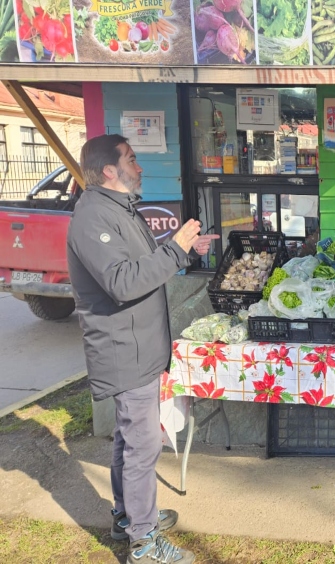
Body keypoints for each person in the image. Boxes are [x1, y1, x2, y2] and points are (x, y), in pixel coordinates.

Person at [67, 134, 218, 564]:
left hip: (139, 346)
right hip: (123, 350)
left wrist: (185, 253)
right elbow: (123, 282)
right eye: (132, 160)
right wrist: (175, 248)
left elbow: (145, 267)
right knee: (143, 445)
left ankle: (126, 515)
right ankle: (145, 542)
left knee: (127, 440)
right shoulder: (92, 216)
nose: (141, 167)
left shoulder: (120, 208)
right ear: (110, 171)